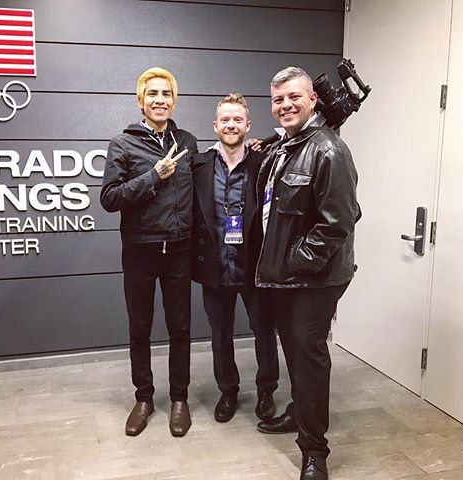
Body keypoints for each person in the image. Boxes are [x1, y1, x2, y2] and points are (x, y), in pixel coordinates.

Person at [249, 67, 360, 480]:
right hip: (284, 274)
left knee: (308, 358)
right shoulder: (286, 146)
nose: (285, 106)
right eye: (278, 100)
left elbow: (339, 221)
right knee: (296, 353)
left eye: (294, 97)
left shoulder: (329, 150)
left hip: (312, 278)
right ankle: (299, 413)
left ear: (313, 99)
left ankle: (315, 451)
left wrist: (296, 261)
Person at [100, 67, 198, 437]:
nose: (160, 100)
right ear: (141, 101)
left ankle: (179, 399)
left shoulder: (187, 140)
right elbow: (109, 198)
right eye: (153, 94)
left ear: (174, 100)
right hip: (140, 252)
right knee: (140, 328)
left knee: (181, 329)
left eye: (166, 94)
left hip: (178, 251)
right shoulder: (123, 144)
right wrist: (154, 175)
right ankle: (143, 398)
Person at [191, 93, 279, 423]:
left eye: (237, 119)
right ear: (215, 126)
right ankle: (228, 391)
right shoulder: (197, 163)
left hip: (254, 266)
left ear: (248, 125)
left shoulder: (264, 163)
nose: (231, 125)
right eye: (225, 119)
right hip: (215, 267)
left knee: (265, 332)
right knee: (220, 334)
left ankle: (267, 390)